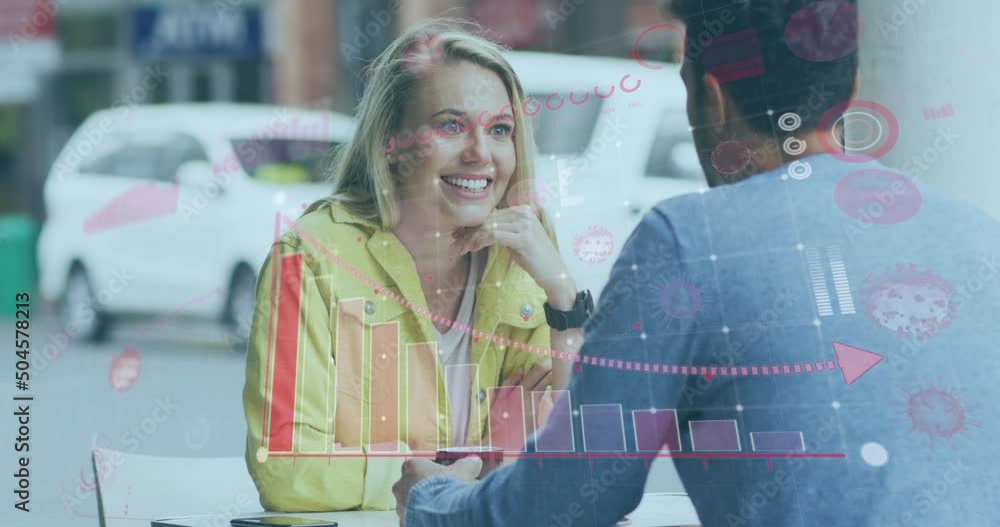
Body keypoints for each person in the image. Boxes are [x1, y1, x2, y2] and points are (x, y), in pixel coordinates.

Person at [394, 1, 1000, 525]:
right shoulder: (979, 237)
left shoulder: (689, 241)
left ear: (709, 93)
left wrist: (433, 500)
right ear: (853, 83)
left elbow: (568, 500)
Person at [242, 20, 586, 512]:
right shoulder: (309, 259)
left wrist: (564, 301)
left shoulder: (524, 258)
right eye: (450, 125)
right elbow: (283, 466)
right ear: (392, 142)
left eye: (500, 129)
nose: (480, 153)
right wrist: (429, 483)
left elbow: (576, 467)